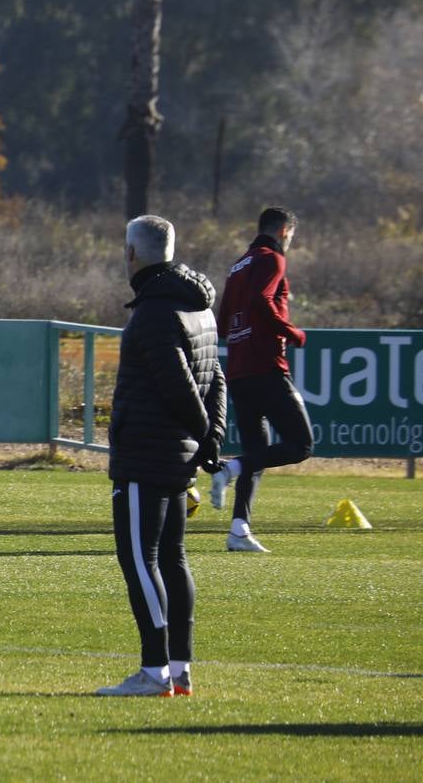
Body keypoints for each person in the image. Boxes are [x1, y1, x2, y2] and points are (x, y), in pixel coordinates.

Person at [98, 215, 226, 698]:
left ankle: (155, 672)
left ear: (133, 254)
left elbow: (177, 384)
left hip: (147, 455)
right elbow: (215, 381)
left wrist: (206, 436)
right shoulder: (198, 308)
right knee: (172, 558)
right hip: (179, 457)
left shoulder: (153, 311)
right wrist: (211, 437)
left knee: (140, 559)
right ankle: (180, 668)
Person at [209, 206, 313, 553]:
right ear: (285, 230)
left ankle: (239, 529)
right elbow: (261, 299)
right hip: (266, 366)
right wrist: (290, 331)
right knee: (300, 445)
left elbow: (222, 325)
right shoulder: (272, 258)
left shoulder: (238, 265)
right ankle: (230, 469)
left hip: (239, 370)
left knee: (258, 452)